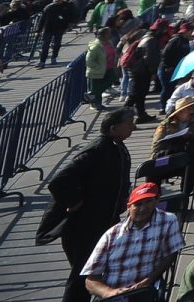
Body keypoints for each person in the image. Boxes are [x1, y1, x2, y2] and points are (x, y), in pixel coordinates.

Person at [48, 107, 136, 302]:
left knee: (94, 272)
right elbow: (58, 182)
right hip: (83, 228)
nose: (133, 127)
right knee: (82, 277)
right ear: (113, 128)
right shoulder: (96, 151)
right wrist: (74, 201)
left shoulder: (117, 147)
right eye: (129, 124)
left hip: (103, 222)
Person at [81, 182, 184, 302]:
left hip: (144, 292)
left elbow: (171, 254)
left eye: (148, 202)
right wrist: (110, 292)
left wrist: (148, 280)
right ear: (129, 207)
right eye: (138, 204)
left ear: (156, 201)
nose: (143, 208)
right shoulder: (112, 235)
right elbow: (90, 280)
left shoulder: (167, 221)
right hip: (114, 294)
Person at [40, 0, 77, 67]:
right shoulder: (48, 7)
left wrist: (69, 24)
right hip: (48, 28)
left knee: (57, 44)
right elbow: (42, 19)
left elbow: (73, 15)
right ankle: (42, 61)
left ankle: (54, 57)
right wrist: (39, 29)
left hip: (60, 28)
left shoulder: (68, 6)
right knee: (45, 45)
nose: (57, 0)